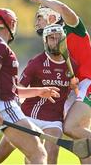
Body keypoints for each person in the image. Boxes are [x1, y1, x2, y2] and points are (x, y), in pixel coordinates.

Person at [27, 0, 91, 164]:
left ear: (52, 16)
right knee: (82, 147)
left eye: (40, 17)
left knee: (70, 127)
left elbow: (63, 8)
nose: (37, 22)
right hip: (76, 92)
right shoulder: (52, 42)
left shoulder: (73, 28)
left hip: (90, 85)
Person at [0, 7, 60, 164]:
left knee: (35, 136)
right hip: (2, 106)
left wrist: (39, 91)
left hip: (1, 104)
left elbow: (11, 90)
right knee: (39, 153)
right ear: (11, 24)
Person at [19, 24, 77, 164]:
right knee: (34, 157)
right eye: (51, 38)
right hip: (30, 115)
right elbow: (19, 88)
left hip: (54, 119)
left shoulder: (72, 65)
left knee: (52, 153)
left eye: (59, 38)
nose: (55, 41)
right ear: (45, 41)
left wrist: (75, 86)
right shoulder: (36, 63)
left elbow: (76, 92)